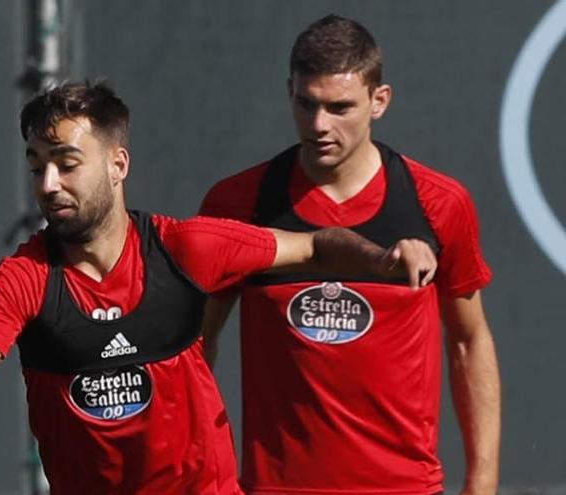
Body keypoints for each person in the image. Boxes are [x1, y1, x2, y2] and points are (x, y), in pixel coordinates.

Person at [0, 81, 436, 495]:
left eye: (67, 164)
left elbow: (317, 246)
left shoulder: (187, 248)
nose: (49, 185)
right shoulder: (22, 280)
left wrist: (382, 258)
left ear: (118, 165)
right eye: (37, 167)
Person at [199, 14, 501, 495]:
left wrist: (482, 482)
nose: (319, 125)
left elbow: (468, 340)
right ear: (289, 93)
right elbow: (195, 346)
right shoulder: (237, 204)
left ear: (379, 101)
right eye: (306, 104)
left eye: (339, 107)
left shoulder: (439, 203)